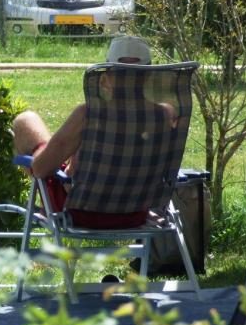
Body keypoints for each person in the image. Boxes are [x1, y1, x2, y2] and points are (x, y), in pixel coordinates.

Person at [12, 34, 164, 229]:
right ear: (149, 76)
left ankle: (46, 205)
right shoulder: (163, 117)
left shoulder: (88, 116)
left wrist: (51, 155)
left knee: (26, 121)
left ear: (106, 77)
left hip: (81, 213)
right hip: (135, 214)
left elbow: (40, 169)